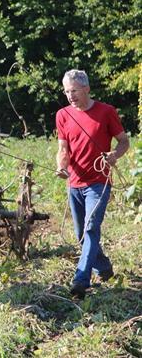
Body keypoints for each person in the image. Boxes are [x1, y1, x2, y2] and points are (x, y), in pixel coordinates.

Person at [55, 69, 129, 299]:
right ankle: (104, 268)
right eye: (67, 91)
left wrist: (114, 155)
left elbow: (124, 142)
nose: (70, 95)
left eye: (74, 90)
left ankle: (81, 280)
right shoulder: (63, 114)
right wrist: (61, 166)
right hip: (75, 183)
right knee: (81, 234)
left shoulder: (106, 111)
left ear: (86, 89)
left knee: (90, 228)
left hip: (98, 182)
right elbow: (63, 149)